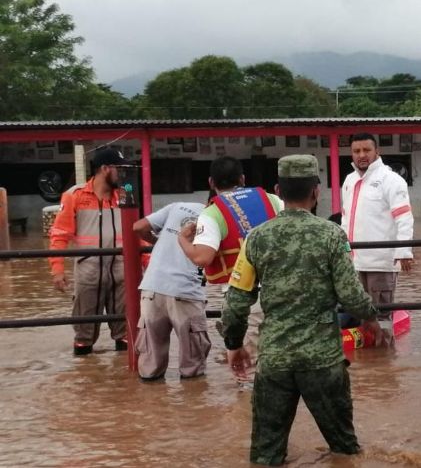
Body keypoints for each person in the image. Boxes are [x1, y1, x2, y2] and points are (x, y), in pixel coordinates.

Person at [221, 154, 385, 466]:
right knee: (345, 450)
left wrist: (234, 345)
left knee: (266, 455)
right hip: (322, 362)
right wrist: (371, 319)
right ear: (316, 192)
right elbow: (351, 295)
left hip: (275, 361)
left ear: (278, 191)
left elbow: (236, 303)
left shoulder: (256, 238)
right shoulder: (332, 235)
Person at [178, 156, 281, 378]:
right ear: (243, 178)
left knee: (249, 369)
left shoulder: (212, 213)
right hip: (284, 292)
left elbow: (202, 258)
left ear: (211, 183)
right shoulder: (271, 199)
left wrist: (183, 240)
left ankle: (246, 409)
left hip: (246, 299)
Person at [49, 147, 130, 355]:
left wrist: (145, 264)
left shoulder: (126, 195)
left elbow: (135, 233)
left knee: (126, 335)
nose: (123, 173)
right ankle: (86, 382)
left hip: (121, 273)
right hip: (88, 273)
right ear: (105, 169)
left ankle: (123, 383)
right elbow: (59, 234)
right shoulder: (74, 196)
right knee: (84, 336)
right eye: (118, 168)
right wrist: (57, 269)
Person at [133, 202, 211, 381]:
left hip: (152, 288)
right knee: (193, 369)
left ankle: (148, 405)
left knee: (150, 367)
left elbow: (138, 227)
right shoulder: (220, 217)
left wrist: (159, 241)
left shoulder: (177, 206)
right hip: (186, 291)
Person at [341, 133, 414, 326]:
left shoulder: (391, 180)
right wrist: (343, 252)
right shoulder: (348, 180)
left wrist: (404, 251)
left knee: (381, 316)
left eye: (366, 150)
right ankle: (366, 356)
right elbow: (345, 219)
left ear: (377, 152)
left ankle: (385, 354)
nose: (361, 155)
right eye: (356, 151)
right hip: (353, 262)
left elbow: (404, 217)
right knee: (358, 314)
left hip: (381, 262)